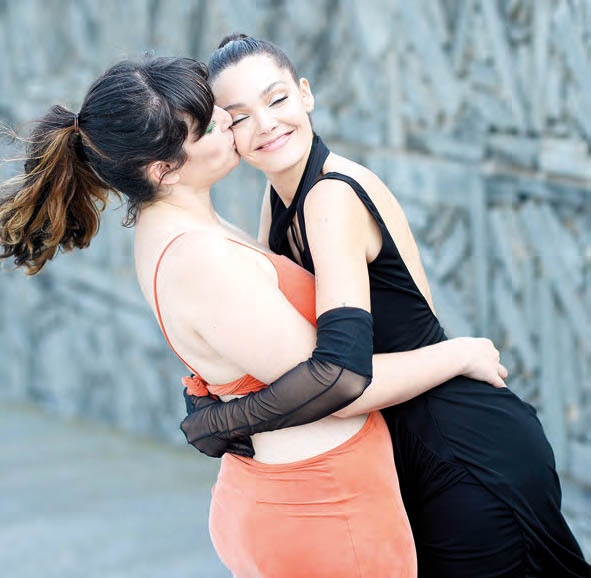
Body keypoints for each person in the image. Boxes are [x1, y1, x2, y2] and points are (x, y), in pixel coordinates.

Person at [0, 56, 509, 578]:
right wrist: (460, 354)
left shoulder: (189, 226)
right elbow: (339, 385)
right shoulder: (200, 258)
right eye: (209, 125)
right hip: (323, 511)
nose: (229, 121)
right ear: (164, 170)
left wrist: (222, 414)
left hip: (308, 498)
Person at [180, 35, 591, 578]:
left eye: (277, 99)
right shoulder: (279, 198)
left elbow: (338, 379)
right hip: (406, 452)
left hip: (461, 448)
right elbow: (269, 339)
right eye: (239, 117)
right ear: (225, 133)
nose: (266, 124)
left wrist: (226, 419)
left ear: (305, 94)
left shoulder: (331, 196)